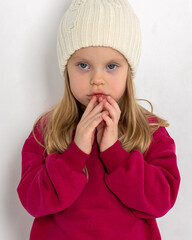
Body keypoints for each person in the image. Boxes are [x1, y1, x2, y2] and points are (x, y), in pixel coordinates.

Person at [17, 0, 181, 239]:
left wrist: (116, 154)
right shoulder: (46, 130)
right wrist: (75, 153)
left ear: (128, 70)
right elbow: (33, 202)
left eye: (111, 66)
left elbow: (161, 201)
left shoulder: (151, 131)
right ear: (66, 70)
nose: (97, 79)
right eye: (83, 65)